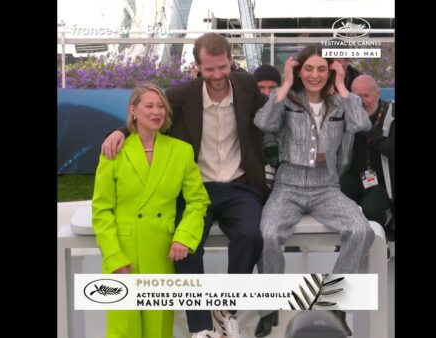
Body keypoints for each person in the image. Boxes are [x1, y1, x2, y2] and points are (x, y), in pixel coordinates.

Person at [101, 33, 268, 338]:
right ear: (197, 66)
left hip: (240, 185)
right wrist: (119, 132)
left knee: (250, 236)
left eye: (222, 67)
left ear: (231, 61)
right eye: (209, 69)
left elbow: (275, 111)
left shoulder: (247, 87)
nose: (217, 75)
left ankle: (227, 308)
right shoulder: (181, 95)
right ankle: (201, 328)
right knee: (186, 247)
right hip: (197, 188)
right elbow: (149, 112)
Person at [253, 45, 375, 337]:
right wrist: (283, 85)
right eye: (308, 68)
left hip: (326, 186)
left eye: (322, 69)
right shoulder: (286, 100)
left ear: (330, 70)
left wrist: (342, 86)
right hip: (288, 185)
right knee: (267, 233)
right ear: (299, 70)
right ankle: (269, 305)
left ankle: (335, 304)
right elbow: (263, 123)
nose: (314, 75)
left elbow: (362, 123)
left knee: (362, 231)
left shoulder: (341, 102)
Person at [92, 83, 210, 338]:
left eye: (161, 107)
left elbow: (198, 201)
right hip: (122, 254)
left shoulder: (181, 151)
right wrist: (113, 257)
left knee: (158, 330)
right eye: (149, 106)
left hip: (162, 251)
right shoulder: (114, 151)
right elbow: (101, 210)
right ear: (133, 111)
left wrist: (184, 237)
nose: (156, 112)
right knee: (123, 329)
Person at [339, 74, 395, 238]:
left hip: (383, 182)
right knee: (335, 198)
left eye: (366, 95)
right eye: (356, 96)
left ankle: (379, 243)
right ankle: (344, 244)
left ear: (377, 95)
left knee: (370, 208)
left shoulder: (391, 115)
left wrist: (367, 130)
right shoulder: (345, 114)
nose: (361, 101)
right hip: (355, 176)